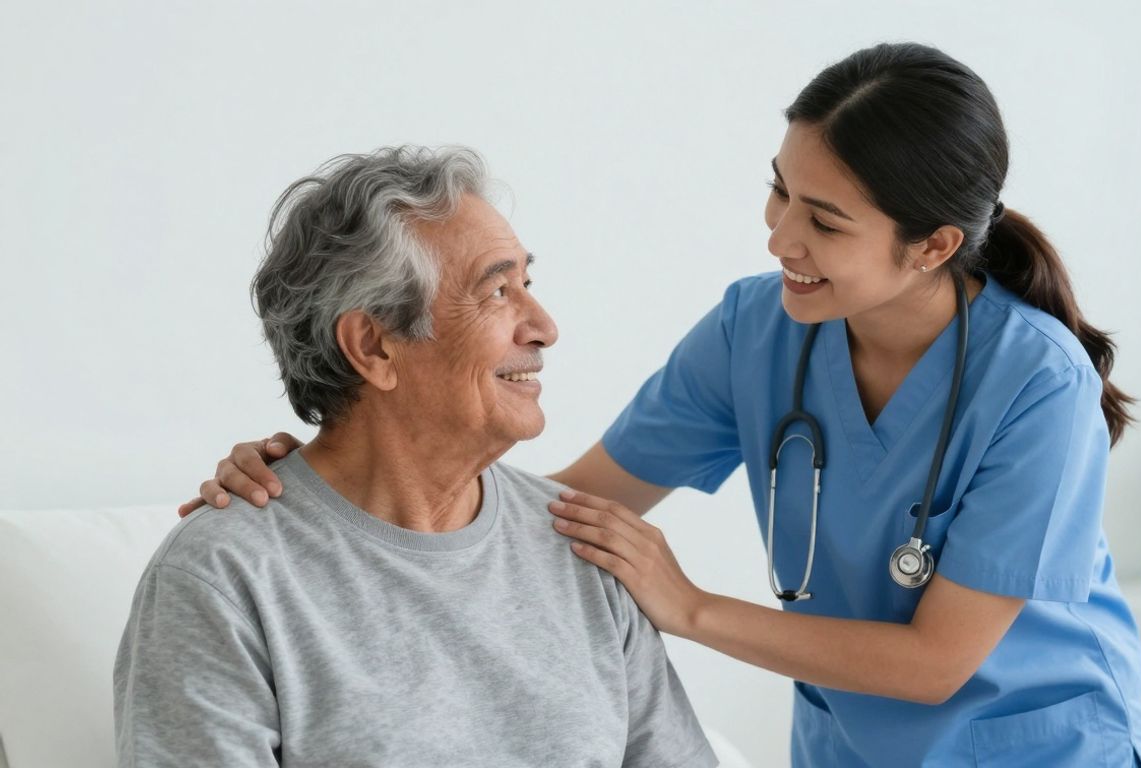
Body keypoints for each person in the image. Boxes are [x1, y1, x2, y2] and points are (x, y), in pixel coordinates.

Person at [181, 44, 1141, 767]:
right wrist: (318, 484)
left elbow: (936, 664)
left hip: (1041, 747)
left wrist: (687, 605)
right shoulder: (758, 331)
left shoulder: (1037, 385)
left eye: (822, 221)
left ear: (934, 247)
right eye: (779, 193)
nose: (779, 237)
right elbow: (549, 515)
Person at [117, 147, 718, 768]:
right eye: (497, 291)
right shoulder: (224, 575)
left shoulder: (584, 546)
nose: (543, 326)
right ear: (374, 346)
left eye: (528, 285)